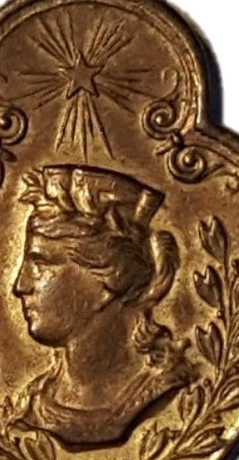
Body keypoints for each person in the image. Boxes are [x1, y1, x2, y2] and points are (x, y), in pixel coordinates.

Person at [12, 165, 194, 444]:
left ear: (108, 279)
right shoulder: (31, 404)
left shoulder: (160, 393)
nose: (20, 285)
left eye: (40, 266)